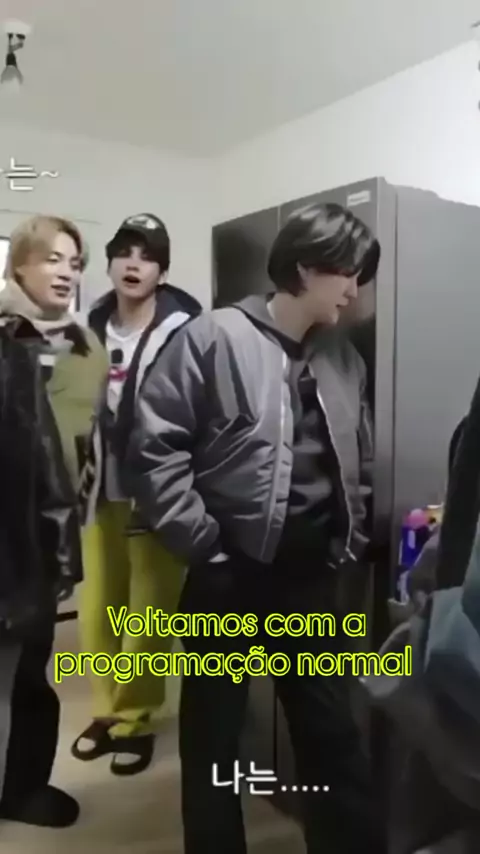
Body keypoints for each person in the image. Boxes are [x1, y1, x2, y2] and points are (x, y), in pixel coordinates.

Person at [124, 203, 384, 853]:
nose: (355, 291)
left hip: (310, 582)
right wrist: (205, 547)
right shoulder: (212, 337)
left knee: (332, 733)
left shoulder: (343, 358)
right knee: (213, 740)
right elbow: (154, 449)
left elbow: (360, 459)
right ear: (306, 267)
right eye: (347, 273)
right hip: (227, 577)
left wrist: (349, 541)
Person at [72, 213, 202, 775]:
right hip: (98, 488)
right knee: (99, 606)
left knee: (149, 615)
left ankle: (136, 717)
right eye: (124, 252)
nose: (133, 264)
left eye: (147, 256)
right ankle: (107, 709)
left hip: (160, 490)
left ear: (162, 272)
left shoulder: (187, 330)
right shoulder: (87, 327)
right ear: (109, 264)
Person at [0, 214, 108, 827]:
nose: (66, 272)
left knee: (32, 674)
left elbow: (86, 444)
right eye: (52, 259)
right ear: (19, 265)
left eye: (74, 262)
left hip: (49, 536)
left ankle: (22, 789)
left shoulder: (87, 350)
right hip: (4, 534)